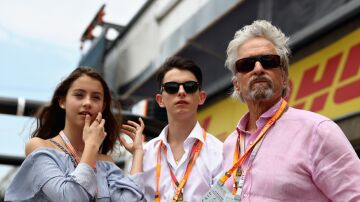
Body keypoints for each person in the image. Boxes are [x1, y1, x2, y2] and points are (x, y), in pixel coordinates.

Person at [216, 20, 360, 201]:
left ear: (284, 77)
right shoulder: (230, 144)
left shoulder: (318, 131)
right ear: (237, 84)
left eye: (268, 61)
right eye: (246, 64)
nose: (258, 68)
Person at [5, 67, 145, 201]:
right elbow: (70, 198)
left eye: (96, 97)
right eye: (79, 95)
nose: (87, 102)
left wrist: (138, 152)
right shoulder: (40, 147)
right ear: (62, 101)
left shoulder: (105, 162)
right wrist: (91, 146)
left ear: (103, 106)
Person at [141, 56, 223, 201]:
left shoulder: (220, 152)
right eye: (171, 87)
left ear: (201, 97)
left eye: (190, 86)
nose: (181, 92)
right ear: (160, 100)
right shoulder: (144, 154)